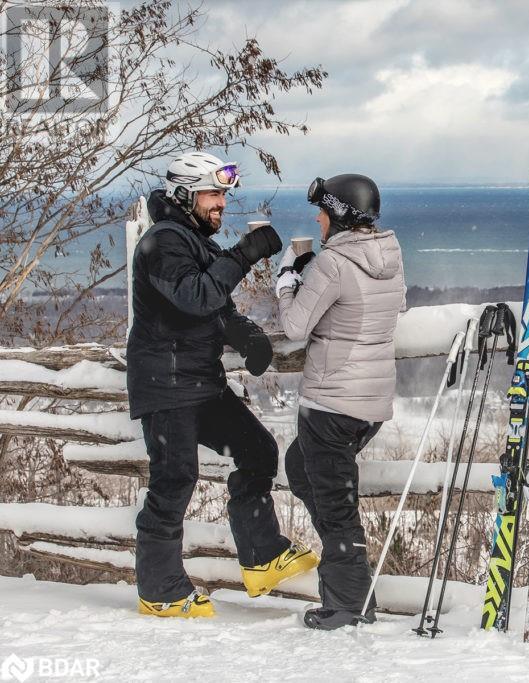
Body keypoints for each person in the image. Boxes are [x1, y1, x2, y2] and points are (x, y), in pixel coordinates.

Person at [127, 152, 319, 618]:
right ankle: (160, 591)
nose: (222, 204)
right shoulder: (161, 244)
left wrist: (245, 333)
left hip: (200, 382)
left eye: (223, 195)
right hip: (165, 383)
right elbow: (196, 296)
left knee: (257, 450)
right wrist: (246, 252)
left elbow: (215, 305)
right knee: (174, 481)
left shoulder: (191, 239)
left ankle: (262, 556)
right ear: (184, 195)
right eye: (214, 194)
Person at [275, 173, 406, 630]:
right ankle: (346, 570)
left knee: (335, 505)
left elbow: (294, 326)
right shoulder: (389, 254)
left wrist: (289, 279)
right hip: (369, 405)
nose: (317, 218)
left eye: (323, 212)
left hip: (330, 404)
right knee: (300, 468)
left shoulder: (333, 264)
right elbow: (369, 304)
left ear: (340, 215)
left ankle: (348, 605)